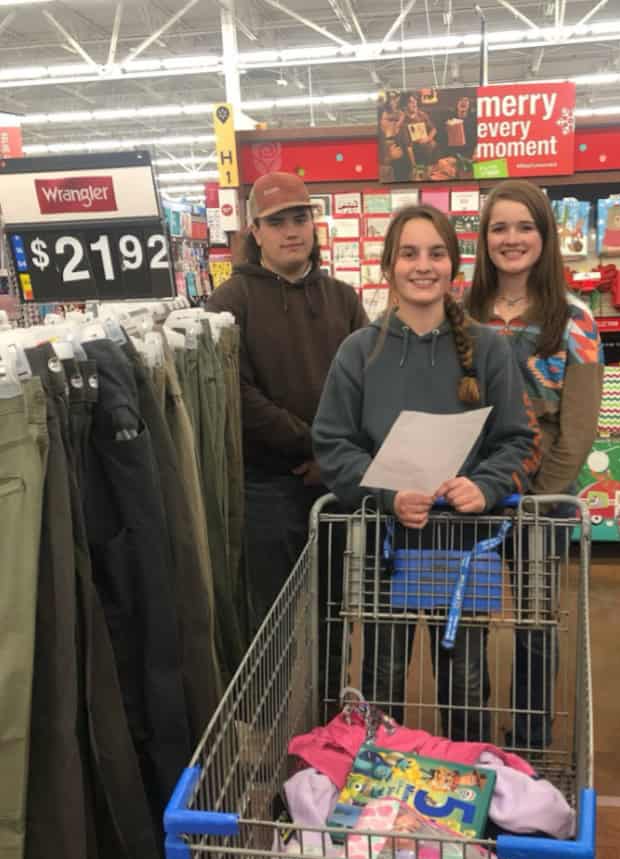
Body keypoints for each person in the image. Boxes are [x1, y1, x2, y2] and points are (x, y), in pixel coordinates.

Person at [313, 204, 541, 741]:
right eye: (409, 254)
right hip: (383, 544)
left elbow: (516, 440)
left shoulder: (489, 350)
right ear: (388, 266)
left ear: (453, 265)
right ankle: (379, 788)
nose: (423, 266)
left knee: (464, 680)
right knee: (382, 676)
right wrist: (389, 494)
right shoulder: (359, 352)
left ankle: (463, 787)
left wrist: (483, 486)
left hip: (463, 547)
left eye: (436, 253)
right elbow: (332, 443)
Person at [206, 172, 367, 693]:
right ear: (255, 230)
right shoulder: (227, 303)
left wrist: (336, 455)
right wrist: (315, 444)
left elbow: (369, 383)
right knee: (271, 619)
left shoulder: (344, 299)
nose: (291, 231)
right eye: (277, 222)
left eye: (300, 218)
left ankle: (327, 713)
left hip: (336, 485)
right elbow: (238, 394)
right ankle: (275, 727)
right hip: (267, 487)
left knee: (335, 608)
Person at [467, 179, 604, 749]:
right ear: (484, 239)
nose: (512, 238)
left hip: (539, 498)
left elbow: (577, 427)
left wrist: (541, 497)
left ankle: (528, 737)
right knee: (466, 621)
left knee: (536, 623)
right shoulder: (460, 310)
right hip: (469, 489)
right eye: (499, 227)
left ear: (546, 236)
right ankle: (467, 728)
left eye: (525, 226)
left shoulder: (575, 320)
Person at [401, 93, 438, 178]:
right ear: (406, 105)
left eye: (415, 101)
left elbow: (434, 129)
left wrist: (428, 138)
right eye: (411, 102)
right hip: (414, 151)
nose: (414, 103)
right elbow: (408, 147)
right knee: (419, 175)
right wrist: (414, 166)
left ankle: (430, 171)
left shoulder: (422, 115)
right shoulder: (404, 120)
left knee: (432, 145)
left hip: (428, 149)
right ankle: (420, 171)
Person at [378, 90, 410, 182]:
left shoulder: (400, 117)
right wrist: (389, 157)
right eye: (389, 119)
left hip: (399, 161)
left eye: (396, 99)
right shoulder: (379, 135)